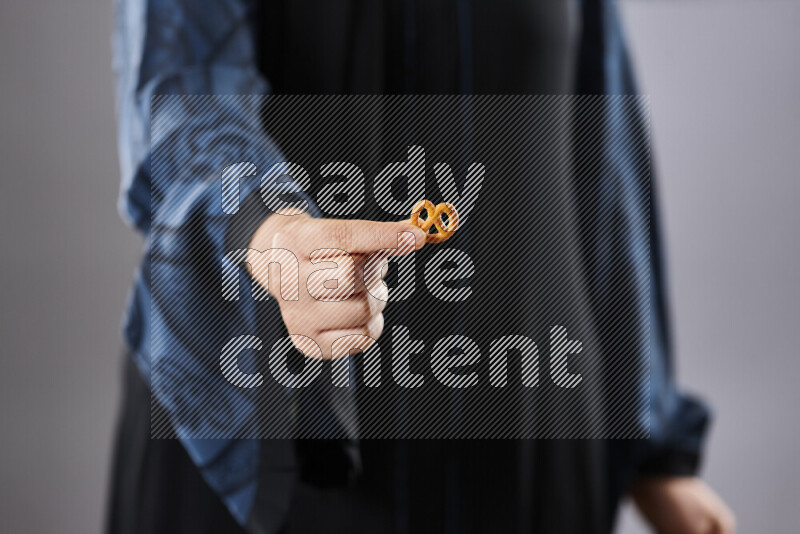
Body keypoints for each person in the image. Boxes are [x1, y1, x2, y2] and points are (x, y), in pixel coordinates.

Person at [107, 0, 735, 533]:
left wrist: (652, 444)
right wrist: (262, 225)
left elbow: (602, 147)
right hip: (267, 434)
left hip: (523, 455)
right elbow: (179, 88)